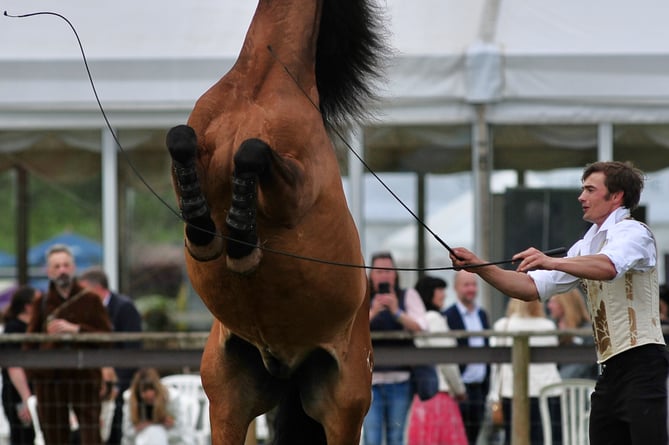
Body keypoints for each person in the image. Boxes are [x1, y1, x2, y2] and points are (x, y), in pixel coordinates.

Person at [450, 161, 668, 445]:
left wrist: (551, 260)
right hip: (610, 371)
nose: (581, 197)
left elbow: (610, 266)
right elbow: (529, 287)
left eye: (590, 189)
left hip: (644, 366)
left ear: (616, 196)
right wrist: (479, 266)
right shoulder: (583, 247)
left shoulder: (634, 233)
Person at [25, 244, 113, 445]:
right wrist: (35, 373)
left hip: (84, 375)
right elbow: (29, 342)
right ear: (49, 271)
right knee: (54, 435)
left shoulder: (90, 299)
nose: (62, 270)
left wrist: (77, 330)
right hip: (50, 379)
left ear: (73, 268)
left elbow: (107, 336)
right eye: (56, 266)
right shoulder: (42, 302)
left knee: (91, 434)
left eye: (65, 265)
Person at [364, 251, 428, 445]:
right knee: (371, 439)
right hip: (369, 382)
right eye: (379, 271)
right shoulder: (362, 297)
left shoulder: (407, 295)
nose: (384, 276)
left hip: (401, 381)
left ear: (396, 274)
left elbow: (422, 327)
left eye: (388, 271)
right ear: (371, 275)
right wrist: (373, 312)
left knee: (396, 438)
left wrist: (396, 311)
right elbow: (349, 329)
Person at [79, 267, 143, 445]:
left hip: (121, 385)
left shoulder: (124, 307)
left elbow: (132, 349)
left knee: (115, 431)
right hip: (95, 384)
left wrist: (116, 384)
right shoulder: (88, 311)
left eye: (83, 291)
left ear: (97, 288)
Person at [489, 299, 562, 445]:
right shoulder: (547, 326)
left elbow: (495, 364)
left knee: (513, 438)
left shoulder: (503, 326)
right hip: (545, 391)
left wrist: (493, 393)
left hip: (512, 391)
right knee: (545, 438)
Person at [407, 275, 467, 445]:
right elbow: (447, 361)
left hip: (423, 397)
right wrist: (459, 389)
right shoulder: (434, 320)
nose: (444, 295)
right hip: (440, 395)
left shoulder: (418, 321)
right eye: (440, 290)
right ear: (428, 294)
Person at [443, 270, 490, 445]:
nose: (471, 289)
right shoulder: (448, 315)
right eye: (466, 285)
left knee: (474, 437)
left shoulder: (482, 314)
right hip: (459, 390)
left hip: (479, 389)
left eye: (474, 284)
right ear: (456, 288)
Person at [1, 286, 38, 445]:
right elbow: (14, 367)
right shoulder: (14, 329)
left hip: (34, 394)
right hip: (19, 395)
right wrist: (27, 400)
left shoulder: (35, 328)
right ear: (28, 306)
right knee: (23, 437)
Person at [122, 368, 194, 445]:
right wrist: (140, 428)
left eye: (153, 397)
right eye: (144, 391)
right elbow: (127, 433)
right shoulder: (130, 399)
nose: (149, 394)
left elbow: (181, 431)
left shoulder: (172, 398)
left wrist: (167, 426)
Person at [547, 288, 598, 379]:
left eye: (553, 302)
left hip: (582, 385)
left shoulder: (588, 331)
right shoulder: (551, 328)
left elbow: (585, 364)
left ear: (565, 304)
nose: (549, 306)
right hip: (555, 384)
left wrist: (559, 380)